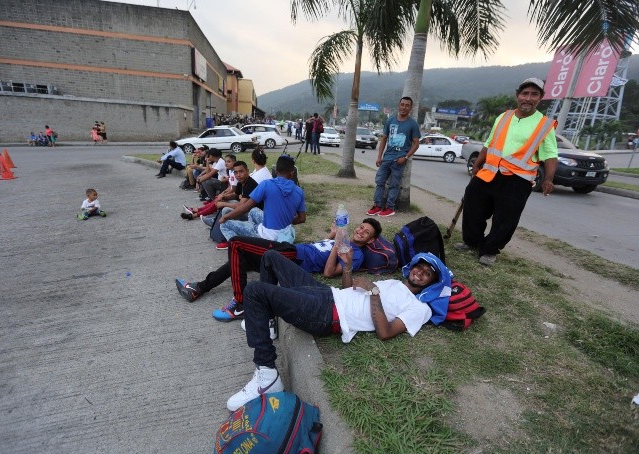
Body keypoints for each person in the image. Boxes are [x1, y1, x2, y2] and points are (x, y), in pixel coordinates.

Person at [225, 248, 449, 411]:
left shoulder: (420, 308)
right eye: (419, 267)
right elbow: (349, 290)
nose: (419, 272)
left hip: (328, 314)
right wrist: (348, 267)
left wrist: (374, 291)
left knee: (254, 291)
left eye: (427, 273)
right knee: (270, 257)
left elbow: (386, 332)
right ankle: (269, 325)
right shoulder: (396, 283)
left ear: (432, 283)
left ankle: (267, 375)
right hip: (328, 294)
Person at [174, 218, 382, 321]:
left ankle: (240, 303)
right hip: (293, 250)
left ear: (371, 239)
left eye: (367, 232)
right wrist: (332, 235)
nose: (361, 231)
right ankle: (199, 287)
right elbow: (321, 247)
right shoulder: (343, 239)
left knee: (236, 244)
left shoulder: (357, 254)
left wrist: (337, 243)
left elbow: (328, 272)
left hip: (293, 258)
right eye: (361, 226)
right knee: (241, 259)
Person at [456, 78, 558, 266]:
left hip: (518, 179)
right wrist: (478, 163)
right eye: (525, 93)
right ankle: (472, 241)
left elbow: (550, 154)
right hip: (490, 172)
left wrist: (549, 179)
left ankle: (490, 250)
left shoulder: (544, 124)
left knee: (505, 218)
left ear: (541, 98)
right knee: (472, 203)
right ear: (517, 96)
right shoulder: (503, 117)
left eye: (534, 94)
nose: (528, 98)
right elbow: (489, 142)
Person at [218, 155, 306, 245]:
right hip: (286, 235)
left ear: (275, 171)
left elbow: (245, 208)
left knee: (224, 224)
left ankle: (241, 248)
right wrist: (283, 220)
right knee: (254, 211)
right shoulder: (299, 191)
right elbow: (302, 218)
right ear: (292, 173)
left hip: (267, 235)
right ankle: (251, 237)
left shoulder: (266, 184)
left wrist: (225, 217)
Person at [366, 96, 421, 217]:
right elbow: (384, 139)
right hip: (386, 158)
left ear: (410, 108)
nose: (404, 107)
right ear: (398, 105)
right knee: (380, 182)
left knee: (394, 184)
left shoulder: (412, 124)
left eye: (407, 105)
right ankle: (377, 205)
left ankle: (390, 208)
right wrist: (379, 156)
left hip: (399, 160)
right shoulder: (390, 121)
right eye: (402, 104)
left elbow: (416, 143)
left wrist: (405, 157)